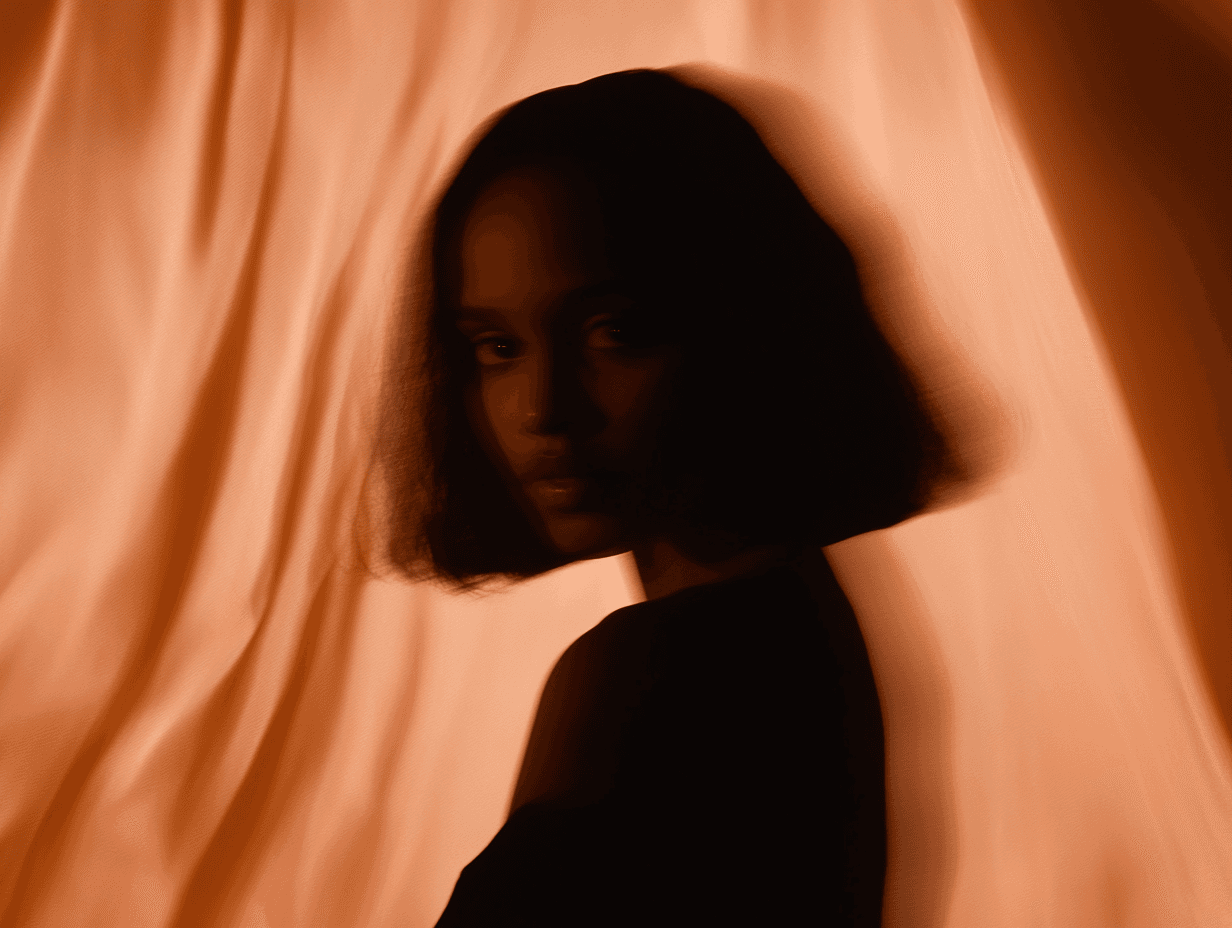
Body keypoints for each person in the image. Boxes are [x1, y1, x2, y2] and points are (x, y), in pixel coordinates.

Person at [376, 67, 958, 927]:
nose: (544, 409)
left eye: (613, 331)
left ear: (743, 319)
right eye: (496, 346)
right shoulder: (807, 623)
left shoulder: (646, 672)